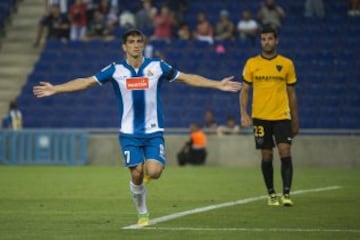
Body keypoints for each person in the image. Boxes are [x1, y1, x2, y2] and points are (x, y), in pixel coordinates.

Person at [32, 29, 241, 226]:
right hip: (129, 133)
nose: (136, 45)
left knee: (155, 171)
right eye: (131, 42)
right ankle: (142, 212)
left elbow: (187, 78)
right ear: (124, 47)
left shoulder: (158, 66)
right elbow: (86, 82)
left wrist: (217, 84)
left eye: (139, 41)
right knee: (137, 173)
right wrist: (56, 89)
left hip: (153, 132)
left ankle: (145, 182)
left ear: (144, 45)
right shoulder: (115, 70)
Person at [239, 26, 299, 207]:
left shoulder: (287, 64)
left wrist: (295, 119)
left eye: (270, 39)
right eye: (264, 39)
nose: (267, 42)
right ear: (261, 41)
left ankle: (286, 194)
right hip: (260, 117)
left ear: (276, 40)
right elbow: (245, 90)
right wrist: (244, 113)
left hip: (282, 116)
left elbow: (292, 94)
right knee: (266, 156)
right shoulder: (252, 63)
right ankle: (271, 193)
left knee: (285, 151)